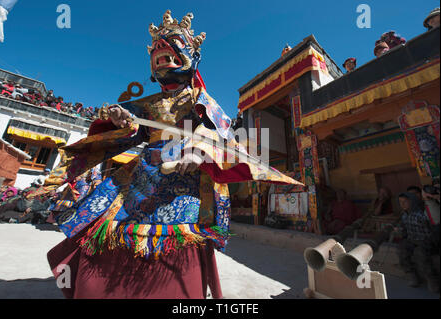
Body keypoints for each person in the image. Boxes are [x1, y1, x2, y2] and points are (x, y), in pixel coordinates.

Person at [44, 10, 301, 299]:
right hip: (142, 179)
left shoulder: (199, 101)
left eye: (171, 54)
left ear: (190, 57)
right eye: (158, 57)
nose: (163, 60)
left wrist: (198, 152)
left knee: (176, 243)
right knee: (115, 233)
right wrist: (120, 120)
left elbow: (223, 136)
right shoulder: (146, 103)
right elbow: (132, 132)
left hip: (184, 179)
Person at [395, 192, 439, 293]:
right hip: (412, 240)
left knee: (421, 254)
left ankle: (432, 280)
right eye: (400, 202)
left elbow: (433, 229)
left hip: (426, 241)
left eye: (405, 202)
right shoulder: (405, 215)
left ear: (412, 202)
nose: (402, 204)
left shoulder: (422, 214)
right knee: (402, 250)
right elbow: (405, 230)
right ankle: (412, 274)